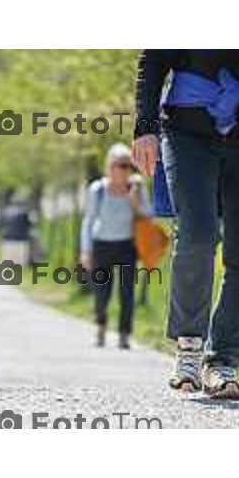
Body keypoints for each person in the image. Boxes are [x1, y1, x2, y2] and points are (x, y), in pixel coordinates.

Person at [132, 49, 239, 400]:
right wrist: (145, 127)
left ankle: (223, 362)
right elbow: (152, 62)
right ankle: (189, 347)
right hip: (188, 132)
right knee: (198, 232)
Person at [80, 143, 150, 349]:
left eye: (129, 165)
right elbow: (88, 221)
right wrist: (85, 250)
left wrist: (134, 202)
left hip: (127, 245)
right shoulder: (98, 189)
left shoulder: (136, 187)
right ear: (110, 166)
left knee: (127, 292)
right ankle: (101, 326)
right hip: (102, 244)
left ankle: (124, 334)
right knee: (102, 292)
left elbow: (149, 215)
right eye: (120, 165)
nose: (125, 169)